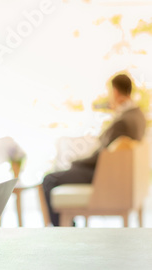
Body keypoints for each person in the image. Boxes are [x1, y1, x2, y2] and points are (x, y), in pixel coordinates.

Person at [42, 74, 146, 226]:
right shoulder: (138, 115)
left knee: (49, 179)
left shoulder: (123, 121)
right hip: (118, 174)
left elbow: (100, 157)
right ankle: (69, 228)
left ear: (115, 91)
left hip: (100, 174)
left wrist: (76, 162)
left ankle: (64, 232)